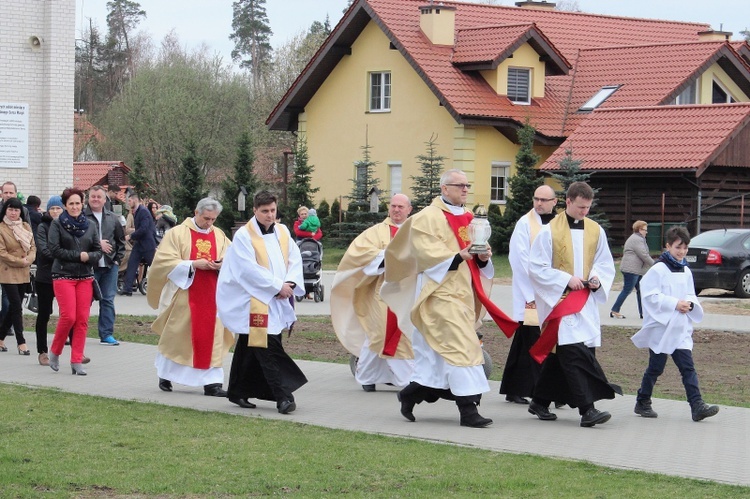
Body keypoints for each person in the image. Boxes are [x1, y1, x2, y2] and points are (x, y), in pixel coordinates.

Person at [381, 169, 517, 428]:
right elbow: (423, 254)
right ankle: (469, 412)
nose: (465, 189)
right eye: (460, 185)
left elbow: (476, 259)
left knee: (444, 359)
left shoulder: (470, 218)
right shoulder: (426, 218)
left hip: (463, 294)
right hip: (437, 293)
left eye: (467, 185)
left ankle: (410, 394)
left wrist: (483, 258)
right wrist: (458, 256)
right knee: (463, 348)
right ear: (445, 188)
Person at [527, 181, 621, 427]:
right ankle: (587, 410)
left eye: (588, 207)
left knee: (566, 355)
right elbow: (536, 268)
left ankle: (539, 400)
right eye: (581, 207)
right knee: (573, 353)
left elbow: (604, 262)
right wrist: (566, 279)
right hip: (560, 302)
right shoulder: (549, 232)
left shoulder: (595, 230)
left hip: (585, 301)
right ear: (568, 202)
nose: (585, 212)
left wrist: (597, 280)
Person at [217, 190, 307, 414]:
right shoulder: (244, 236)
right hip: (252, 299)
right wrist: (277, 286)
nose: (269, 215)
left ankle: (237, 391)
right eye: (264, 211)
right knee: (266, 346)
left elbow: (295, 259)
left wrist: (291, 284)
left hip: (276, 298)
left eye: (273, 211)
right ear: (255, 210)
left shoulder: (283, 231)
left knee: (250, 345)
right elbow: (248, 270)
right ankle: (282, 396)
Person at [631, 226, 719, 422]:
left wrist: (689, 304)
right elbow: (649, 295)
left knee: (688, 367)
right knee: (656, 368)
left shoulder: (686, 269)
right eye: (679, 247)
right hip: (662, 328)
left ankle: (697, 406)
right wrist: (674, 303)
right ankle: (642, 400)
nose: (682, 252)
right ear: (668, 246)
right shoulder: (658, 270)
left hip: (680, 328)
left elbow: (690, 293)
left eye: (686, 248)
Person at [147, 198, 234, 397]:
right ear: (196, 212)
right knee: (178, 336)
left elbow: (231, 257)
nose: (209, 223)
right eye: (206, 218)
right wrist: (193, 264)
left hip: (213, 294)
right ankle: (167, 374)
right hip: (185, 292)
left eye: (213, 219)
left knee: (214, 337)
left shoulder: (219, 235)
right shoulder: (177, 233)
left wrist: (221, 264)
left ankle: (212, 383)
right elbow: (164, 261)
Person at [331, 193, 415, 392]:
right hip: (381, 290)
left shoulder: (417, 232)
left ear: (409, 210)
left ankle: (367, 375)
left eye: (401, 207)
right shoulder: (376, 232)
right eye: (393, 206)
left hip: (409, 291)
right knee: (384, 330)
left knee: (378, 334)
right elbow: (359, 255)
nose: (396, 210)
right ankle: (409, 380)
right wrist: (388, 256)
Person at [501, 184, 558, 404]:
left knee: (525, 341)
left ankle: (514, 387)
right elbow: (519, 259)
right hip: (531, 293)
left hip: (549, 291)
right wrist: (538, 288)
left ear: (555, 202)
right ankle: (542, 390)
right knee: (536, 340)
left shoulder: (556, 224)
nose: (539, 203)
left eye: (544, 200)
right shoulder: (525, 224)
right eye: (536, 199)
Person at [47, 187, 102, 376]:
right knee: (68, 316)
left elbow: (98, 251)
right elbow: (55, 250)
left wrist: (90, 257)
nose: (75, 206)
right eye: (71, 203)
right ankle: (55, 351)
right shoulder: (57, 224)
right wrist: (80, 256)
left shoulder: (91, 225)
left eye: (78, 203)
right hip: (63, 275)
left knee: (82, 320)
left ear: (82, 204)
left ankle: (76, 360)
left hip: (85, 277)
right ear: (64, 206)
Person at [85, 185, 126, 346]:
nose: (95, 199)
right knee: (84, 301)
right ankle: (76, 333)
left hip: (110, 266)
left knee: (108, 300)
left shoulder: (112, 218)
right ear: (88, 198)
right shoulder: (82, 216)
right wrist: (97, 244)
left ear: (104, 199)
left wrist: (117, 260)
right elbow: (76, 241)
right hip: (89, 267)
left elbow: (121, 242)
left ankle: (106, 334)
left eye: (98, 197)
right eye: (93, 196)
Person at [0, 197, 36, 355]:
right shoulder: (1, 228)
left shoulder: (26, 226)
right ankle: (21, 342)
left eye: (16, 210)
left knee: (15, 307)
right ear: (5, 210)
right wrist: (19, 261)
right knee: (15, 306)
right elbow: (2, 253)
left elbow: (33, 246)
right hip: (7, 271)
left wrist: (29, 259)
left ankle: (0, 338)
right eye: (10, 209)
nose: (13, 213)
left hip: (24, 271)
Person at [32, 196, 64, 365]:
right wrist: (64, 256)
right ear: (48, 210)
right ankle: (42, 351)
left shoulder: (68, 225)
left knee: (68, 315)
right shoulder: (43, 226)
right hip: (45, 277)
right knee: (44, 314)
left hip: (64, 275)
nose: (55, 211)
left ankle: (76, 351)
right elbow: (44, 250)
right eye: (52, 208)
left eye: (58, 208)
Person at [610, 221, 654, 319]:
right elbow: (644, 254)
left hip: (636, 270)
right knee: (627, 290)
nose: (646, 232)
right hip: (631, 269)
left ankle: (643, 313)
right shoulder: (636, 239)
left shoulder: (638, 238)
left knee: (641, 290)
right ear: (639, 229)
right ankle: (615, 310)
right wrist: (654, 265)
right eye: (645, 230)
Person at [121, 191, 157, 296]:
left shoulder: (144, 211)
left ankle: (162, 286)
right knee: (132, 263)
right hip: (139, 243)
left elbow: (144, 229)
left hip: (147, 244)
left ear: (135, 200)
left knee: (153, 266)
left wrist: (131, 236)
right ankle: (127, 289)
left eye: (130, 200)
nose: (128, 202)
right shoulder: (135, 212)